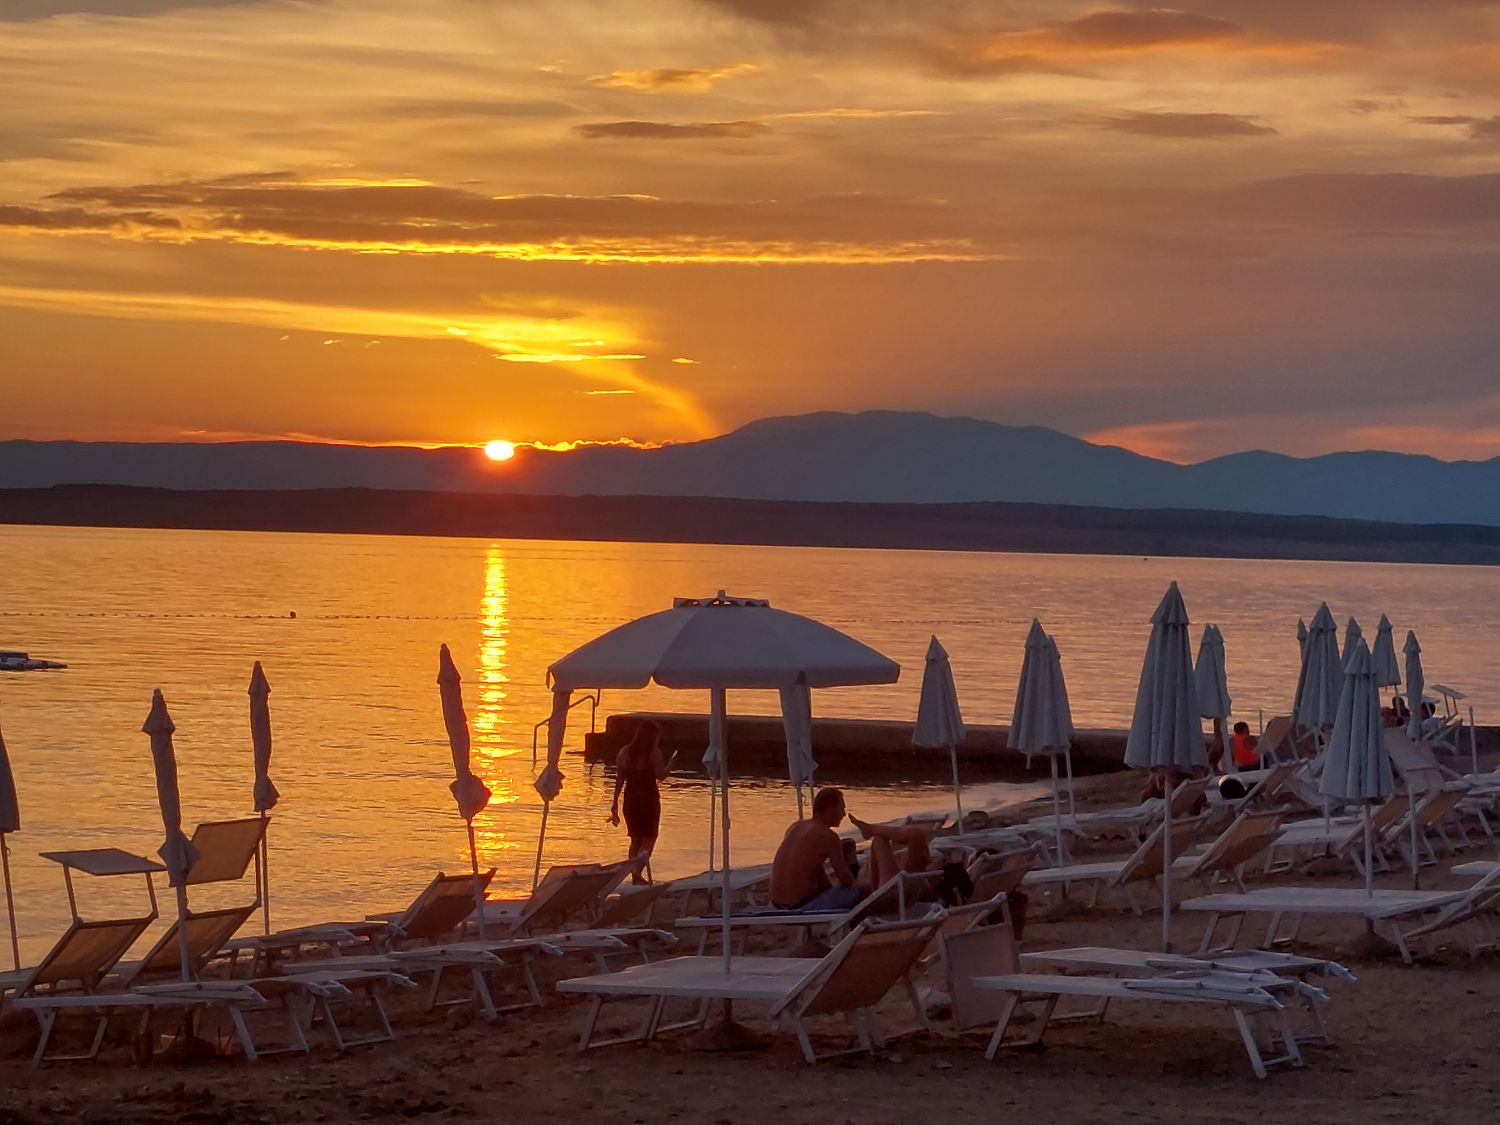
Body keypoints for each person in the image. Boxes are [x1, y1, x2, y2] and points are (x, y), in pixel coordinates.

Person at [609, 719, 675, 884]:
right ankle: (637, 873)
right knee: (649, 838)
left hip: (631, 800)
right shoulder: (654, 753)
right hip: (648, 799)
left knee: (635, 839)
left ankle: (634, 874)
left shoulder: (624, 752)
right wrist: (670, 765)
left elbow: (620, 779)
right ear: (653, 736)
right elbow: (660, 775)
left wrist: (615, 802)